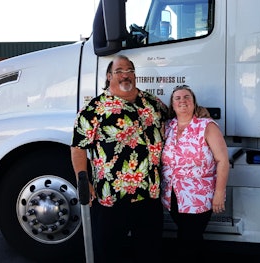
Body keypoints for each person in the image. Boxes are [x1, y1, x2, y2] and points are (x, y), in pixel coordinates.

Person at [70, 55, 167, 263]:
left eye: (130, 70)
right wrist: (83, 179)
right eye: (119, 70)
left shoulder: (152, 103)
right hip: (111, 197)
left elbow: (176, 120)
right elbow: (79, 148)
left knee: (150, 252)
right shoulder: (94, 108)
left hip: (149, 194)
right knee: (109, 254)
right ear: (108, 76)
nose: (126, 74)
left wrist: (198, 112)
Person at [161, 85, 230, 259]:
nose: (182, 101)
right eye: (177, 98)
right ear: (172, 104)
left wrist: (219, 193)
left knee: (189, 238)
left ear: (194, 103)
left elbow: (222, 161)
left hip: (199, 196)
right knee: (187, 236)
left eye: (187, 97)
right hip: (173, 195)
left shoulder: (206, 126)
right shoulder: (167, 127)